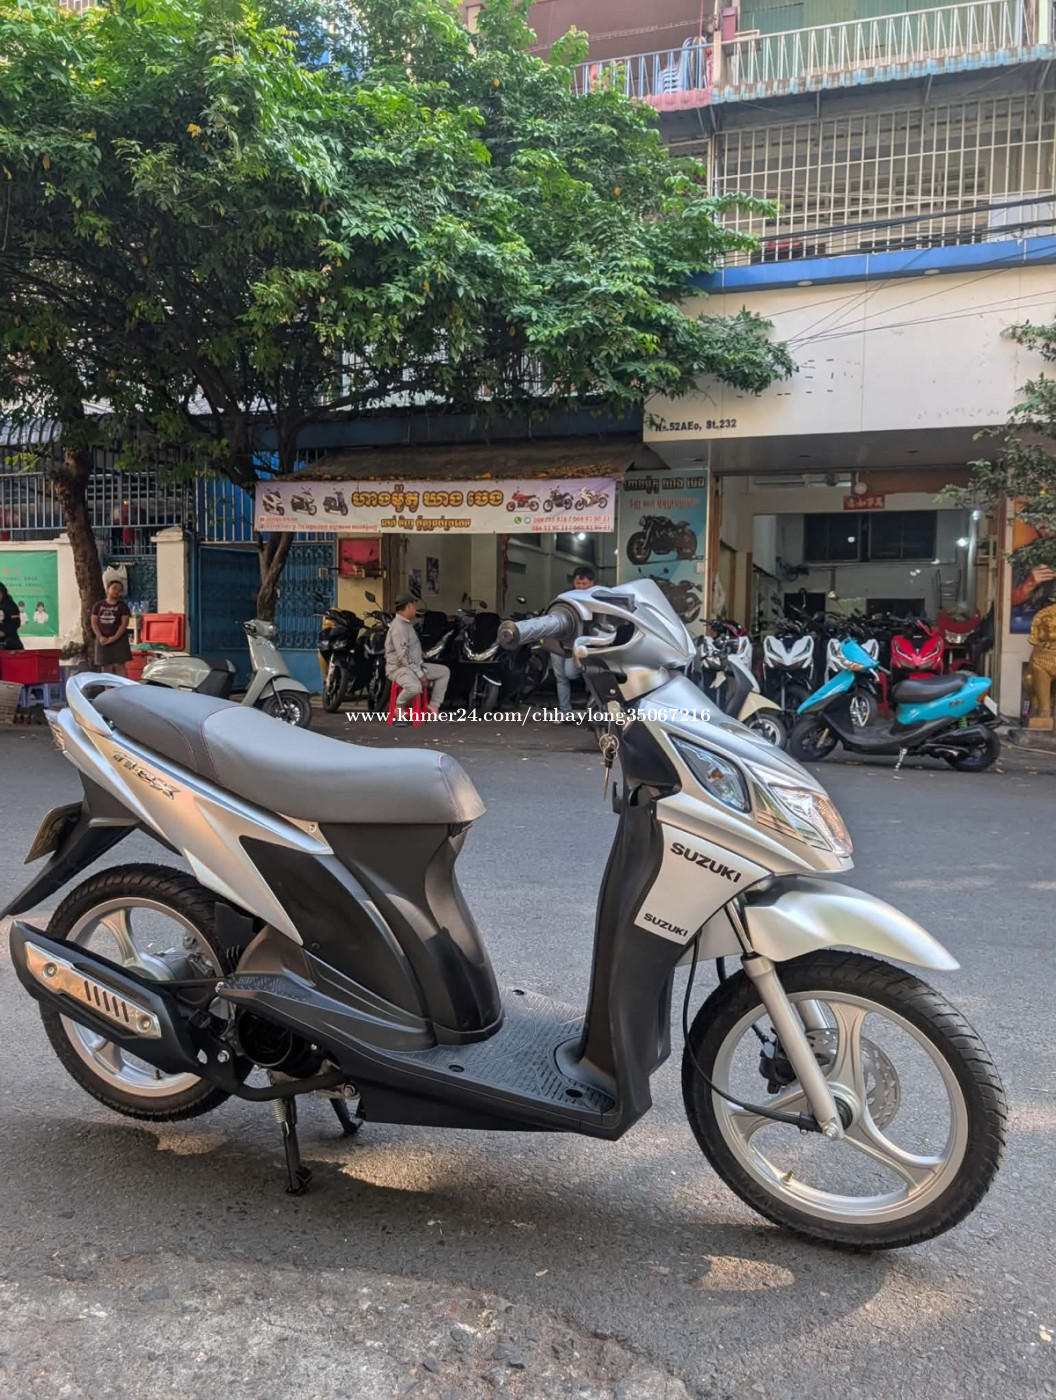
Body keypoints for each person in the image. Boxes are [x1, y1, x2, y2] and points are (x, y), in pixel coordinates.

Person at [385, 592, 449, 719]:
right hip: (399, 669)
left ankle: (434, 705)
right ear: (409, 606)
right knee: (415, 687)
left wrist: (419, 670)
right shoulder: (399, 627)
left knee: (444, 672)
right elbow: (403, 656)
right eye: (414, 606)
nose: (416, 609)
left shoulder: (406, 624)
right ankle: (399, 706)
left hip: (414, 666)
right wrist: (420, 674)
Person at [551, 564, 595, 717]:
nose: (580, 587)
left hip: (578, 644)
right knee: (560, 678)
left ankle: (593, 707)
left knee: (571, 673)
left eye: (584, 584)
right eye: (578, 583)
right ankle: (565, 711)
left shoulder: (595, 599)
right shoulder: (565, 597)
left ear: (592, 583)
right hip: (558, 641)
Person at [91, 579, 132, 676]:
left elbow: (124, 624)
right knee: (105, 666)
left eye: (120, 590)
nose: (117, 591)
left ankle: (123, 685)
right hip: (102, 639)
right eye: (114, 588)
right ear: (108, 589)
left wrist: (114, 638)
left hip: (119, 640)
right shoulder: (98, 605)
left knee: (119, 665)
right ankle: (108, 685)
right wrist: (100, 636)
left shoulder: (123, 606)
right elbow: (94, 622)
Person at [0, 582, 24, 651]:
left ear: (3, 593)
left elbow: (16, 623)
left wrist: (4, 632)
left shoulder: (10, 605)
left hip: (10, 642)